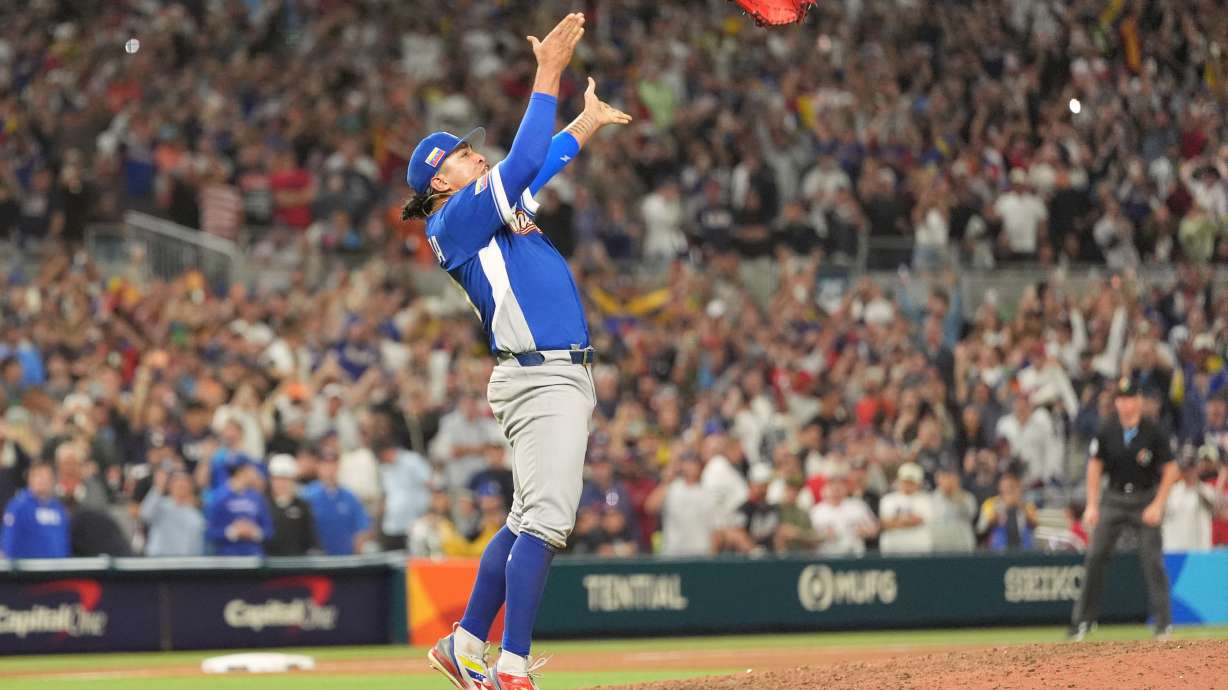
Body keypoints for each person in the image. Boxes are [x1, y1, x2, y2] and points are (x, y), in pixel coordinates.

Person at [410, 14, 632, 690]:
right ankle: (511, 669)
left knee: (523, 520)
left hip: (549, 374)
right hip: (540, 377)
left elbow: (543, 160)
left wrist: (585, 124)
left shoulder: (489, 211)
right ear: (439, 183)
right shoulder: (457, 218)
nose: (477, 155)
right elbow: (526, 160)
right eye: (463, 155)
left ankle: (466, 645)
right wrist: (548, 74)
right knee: (545, 523)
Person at [1069, 378, 1179, 641]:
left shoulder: (1154, 430)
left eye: (1130, 398)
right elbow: (1094, 467)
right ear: (1116, 402)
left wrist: (1158, 504)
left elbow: (1171, 469)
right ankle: (1082, 622)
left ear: (1139, 401)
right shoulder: (1107, 429)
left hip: (1145, 498)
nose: (1125, 404)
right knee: (1095, 556)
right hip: (1114, 498)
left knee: (1152, 560)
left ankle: (1163, 624)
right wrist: (1093, 505)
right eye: (1121, 399)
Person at [644, 453, 720, 557]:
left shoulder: (707, 492)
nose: (690, 467)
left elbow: (715, 529)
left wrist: (712, 556)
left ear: (700, 466)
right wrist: (666, 481)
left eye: (693, 463)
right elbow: (650, 507)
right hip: (673, 553)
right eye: (686, 463)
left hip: (700, 553)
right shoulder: (671, 488)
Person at [302, 453, 372, 556]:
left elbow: (362, 527)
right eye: (325, 466)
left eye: (333, 465)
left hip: (344, 558)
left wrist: (357, 552)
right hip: (317, 560)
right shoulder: (307, 496)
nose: (329, 470)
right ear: (318, 467)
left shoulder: (349, 497)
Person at [205, 454, 273, 556]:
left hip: (254, 557)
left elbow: (269, 530)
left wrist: (254, 531)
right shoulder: (218, 497)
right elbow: (209, 532)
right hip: (227, 559)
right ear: (242, 471)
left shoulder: (257, 497)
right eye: (252, 469)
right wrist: (232, 532)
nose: (255, 473)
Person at [1, 463, 70, 559]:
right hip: (28, 570)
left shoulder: (59, 509)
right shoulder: (18, 506)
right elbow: (9, 541)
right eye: (36, 476)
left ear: (53, 480)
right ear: (29, 479)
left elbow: (64, 542)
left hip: (57, 570)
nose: (41, 480)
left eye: (45, 476)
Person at [374, 437, 432, 551]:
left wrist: (428, 512)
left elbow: (430, 484)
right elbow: (386, 493)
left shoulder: (412, 460)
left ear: (389, 450)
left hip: (415, 521)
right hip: (392, 524)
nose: (383, 459)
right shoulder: (384, 468)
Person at [1161, 446, 1217, 552]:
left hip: (1199, 553)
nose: (1188, 471)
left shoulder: (1206, 490)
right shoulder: (1169, 491)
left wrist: (1195, 484)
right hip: (1173, 553)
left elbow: (1215, 507)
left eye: (1191, 466)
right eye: (1185, 467)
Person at [809, 472, 878, 557]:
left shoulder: (858, 505)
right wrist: (823, 535)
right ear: (825, 489)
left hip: (855, 555)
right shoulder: (816, 511)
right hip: (827, 556)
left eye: (839, 486)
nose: (835, 490)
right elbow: (809, 538)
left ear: (845, 488)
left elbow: (874, 529)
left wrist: (865, 531)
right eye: (831, 487)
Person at [140, 468, 206, 557]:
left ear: (191, 487)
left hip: (182, 561)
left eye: (185, 482)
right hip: (158, 558)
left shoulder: (195, 514)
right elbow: (144, 514)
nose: (181, 484)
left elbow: (196, 543)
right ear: (170, 485)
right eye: (177, 481)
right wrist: (158, 488)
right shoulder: (160, 505)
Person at [264, 453, 318, 557]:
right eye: (278, 479)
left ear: (293, 480)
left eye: (286, 479)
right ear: (271, 480)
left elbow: (311, 540)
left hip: (297, 566)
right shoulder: (263, 506)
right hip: (270, 566)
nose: (282, 484)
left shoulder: (303, 506)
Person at [877, 463, 934, 554]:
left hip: (918, 550)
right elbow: (885, 523)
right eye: (905, 481)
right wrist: (908, 520)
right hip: (892, 550)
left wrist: (897, 521)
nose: (908, 485)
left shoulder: (925, 500)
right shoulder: (888, 499)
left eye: (912, 482)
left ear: (918, 483)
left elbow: (918, 520)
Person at [976, 471, 1038, 551]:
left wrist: (1020, 506)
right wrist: (1001, 508)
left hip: (1024, 549)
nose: (1008, 489)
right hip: (998, 550)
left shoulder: (1026, 505)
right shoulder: (990, 503)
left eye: (1011, 487)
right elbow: (982, 527)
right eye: (1005, 486)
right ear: (999, 487)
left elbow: (1035, 524)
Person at [929, 464, 977, 553]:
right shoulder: (931, 499)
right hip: (939, 548)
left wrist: (954, 493)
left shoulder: (967, 497)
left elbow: (970, 514)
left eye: (950, 477)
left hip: (962, 548)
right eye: (943, 477)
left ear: (956, 479)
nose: (947, 481)